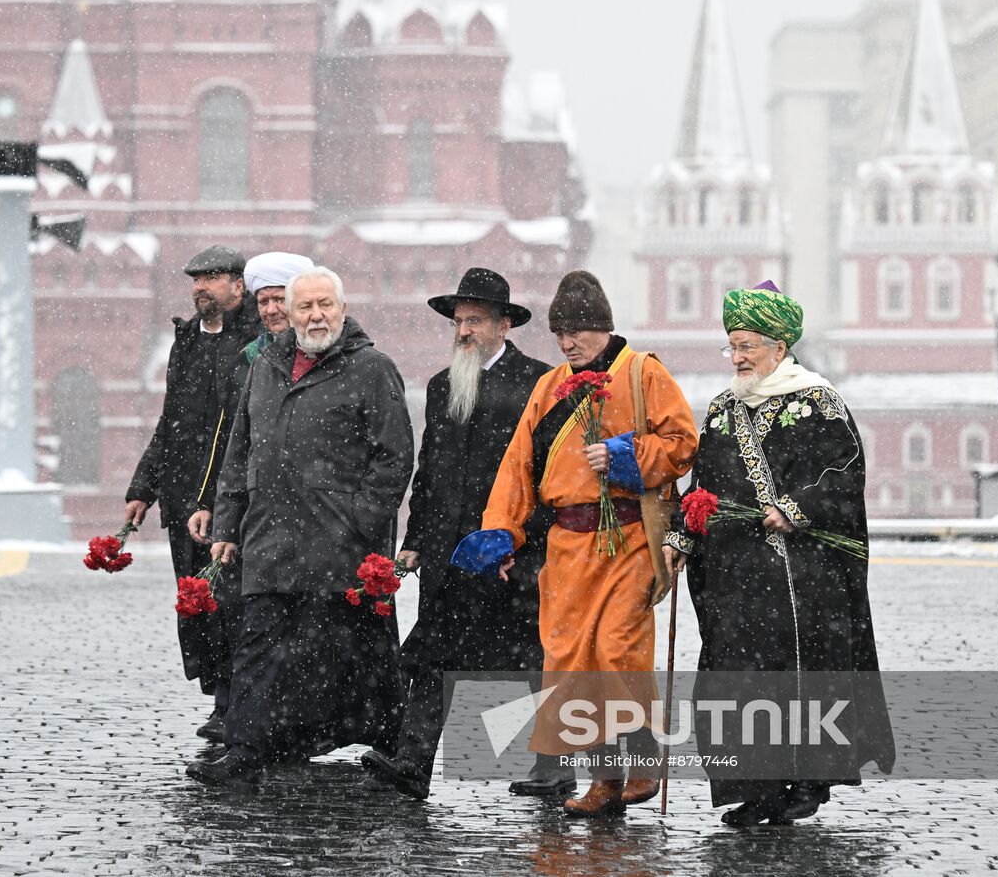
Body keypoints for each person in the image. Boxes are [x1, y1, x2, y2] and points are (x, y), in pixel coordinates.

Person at [452, 270, 698, 817]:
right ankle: (605, 781)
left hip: (629, 536)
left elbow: (682, 444)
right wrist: (501, 530)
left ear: (604, 328)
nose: (568, 343)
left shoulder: (643, 373)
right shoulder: (549, 386)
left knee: (616, 650)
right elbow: (518, 467)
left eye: (579, 332)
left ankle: (643, 755)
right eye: (561, 334)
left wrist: (627, 458)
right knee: (570, 662)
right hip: (566, 545)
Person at [663, 281, 894, 826]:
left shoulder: (818, 401)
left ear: (778, 346)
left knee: (802, 675)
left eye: (746, 346)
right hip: (736, 575)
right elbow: (704, 488)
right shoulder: (721, 410)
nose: (737, 357)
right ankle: (756, 789)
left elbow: (844, 473)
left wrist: (795, 507)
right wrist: (682, 533)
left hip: (804, 573)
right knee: (739, 678)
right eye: (732, 346)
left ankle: (809, 781)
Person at [187, 266, 414, 793]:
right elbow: (238, 449)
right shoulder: (264, 366)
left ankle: (395, 746)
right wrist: (227, 522)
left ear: (342, 308)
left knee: (354, 649)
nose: (316, 316)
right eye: (305, 307)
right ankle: (244, 750)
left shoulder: (372, 368)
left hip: (340, 544)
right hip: (269, 537)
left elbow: (394, 456)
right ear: (287, 315)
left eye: (324, 305)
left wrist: (362, 519)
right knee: (258, 645)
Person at [358, 268, 557, 801]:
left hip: (510, 549)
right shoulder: (444, 383)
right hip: (449, 549)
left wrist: (526, 540)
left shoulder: (540, 382)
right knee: (435, 653)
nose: (463, 331)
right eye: (458, 321)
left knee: (529, 656)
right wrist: (417, 538)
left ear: (504, 325)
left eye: (475, 321)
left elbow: (547, 475)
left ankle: (553, 769)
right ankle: (413, 762)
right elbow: (431, 469)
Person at [124, 245, 259, 740]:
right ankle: (219, 696)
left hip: (232, 501)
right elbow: (171, 422)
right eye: (196, 279)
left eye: (214, 277)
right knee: (197, 602)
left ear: (238, 287)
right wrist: (144, 487)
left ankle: (235, 705)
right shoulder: (185, 340)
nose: (202, 286)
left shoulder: (256, 342)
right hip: (183, 499)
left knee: (234, 603)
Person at [184, 251, 314, 743]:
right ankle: (242, 725)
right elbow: (230, 443)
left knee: (518, 646)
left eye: (282, 299)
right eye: (265, 300)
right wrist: (215, 508)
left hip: (317, 522)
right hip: (262, 518)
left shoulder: (358, 363)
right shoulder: (253, 361)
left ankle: (545, 770)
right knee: (248, 620)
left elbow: (387, 454)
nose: (272, 309)